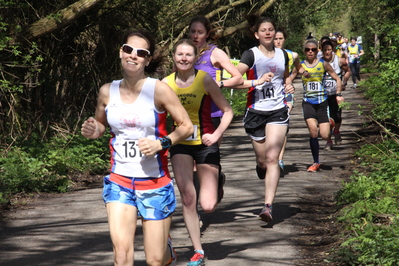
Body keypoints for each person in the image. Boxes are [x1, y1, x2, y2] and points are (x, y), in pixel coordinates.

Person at [81, 29, 193, 266]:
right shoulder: (106, 91)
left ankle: (166, 251)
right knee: (121, 255)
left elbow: (186, 126)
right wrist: (94, 129)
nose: (133, 55)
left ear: (148, 59)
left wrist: (161, 143)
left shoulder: (159, 90)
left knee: (155, 260)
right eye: (128, 49)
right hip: (119, 180)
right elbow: (101, 125)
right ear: (120, 52)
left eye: (140, 52)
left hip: (154, 182)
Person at [163, 39, 233, 266]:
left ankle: (216, 179)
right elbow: (156, 117)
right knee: (187, 197)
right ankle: (198, 250)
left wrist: (216, 134)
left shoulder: (204, 79)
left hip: (206, 142)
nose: (183, 58)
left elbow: (227, 111)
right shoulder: (165, 84)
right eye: (179, 54)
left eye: (188, 55)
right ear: (173, 57)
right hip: (180, 144)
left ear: (195, 58)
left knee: (209, 205)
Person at [235, 16, 302, 223]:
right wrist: (257, 81)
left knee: (273, 158)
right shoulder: (251, 55)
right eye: (263, 30)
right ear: (256, 34)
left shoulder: (283, 55)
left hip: (278, 110)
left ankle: (268, 207)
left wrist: (289, 85)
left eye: (271, 29)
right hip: (255, 112)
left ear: (275, 33)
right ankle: (260, 165)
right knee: (263, 160)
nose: (267, 33)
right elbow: (236, 81)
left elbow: (288, 76)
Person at [188, 15, 244, 203]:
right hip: (190, 118)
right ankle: (196, 209)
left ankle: (216, 180)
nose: (196, 36)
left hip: (212, 115)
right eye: (193, 32)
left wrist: (219, 83)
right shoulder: (184, 54)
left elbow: (238, 78)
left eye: (200, 32)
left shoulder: (215, 53)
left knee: (206, 162)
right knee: (193, 164)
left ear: (207, 34)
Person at [300, 39, 344, 172]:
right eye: (308, 49)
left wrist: (338, 94)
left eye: (313, 49)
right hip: (308, 102)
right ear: (304, 51)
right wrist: (288, 84)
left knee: (325, 135)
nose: (310, 52)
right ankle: (316, 162)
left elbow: (337, 78)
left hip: (322, 103)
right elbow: (289, 78)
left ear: (317, 51)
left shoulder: (323, 64)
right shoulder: (300, 66)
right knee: (313, 131)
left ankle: (330, 124)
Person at [274, 27, 303, 171]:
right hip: (271, 94)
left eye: (281, 39)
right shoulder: (265, 55)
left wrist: (290, 79)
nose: (278, 41)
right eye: (276, 39)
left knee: (282, 126)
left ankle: (279, 159)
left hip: (286, 94)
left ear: (285, 40)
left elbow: (298, 67)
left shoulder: (292, 55)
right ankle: (271, 156)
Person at [322, 40, 345, 148]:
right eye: (325, 50)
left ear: (333, 50)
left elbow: (348, 70)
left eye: (329, 50)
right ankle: (329, 141)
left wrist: (343, 82)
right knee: (326, 119)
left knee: (337, 117)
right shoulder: (319, 62)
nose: (327, 52)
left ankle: (336, 131)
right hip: (323, 95)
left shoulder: (339, 60)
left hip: (336, 94)